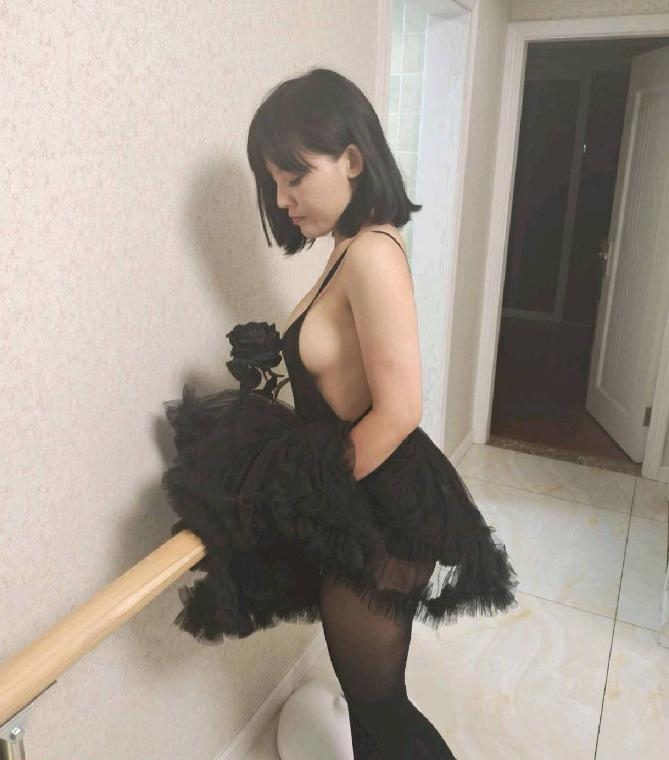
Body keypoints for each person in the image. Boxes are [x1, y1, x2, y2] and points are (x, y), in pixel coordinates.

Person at [161, 67, 519, 759]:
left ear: (351, 159)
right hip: (366, 495)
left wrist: (301, 497)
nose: (281, 199)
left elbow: (400, 409)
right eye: (272, 182)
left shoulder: (372, 255)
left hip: (384, 508)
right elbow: (339, 382)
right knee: (370, 704)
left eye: (293, 177)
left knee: (382, 709)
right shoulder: (348, 249)